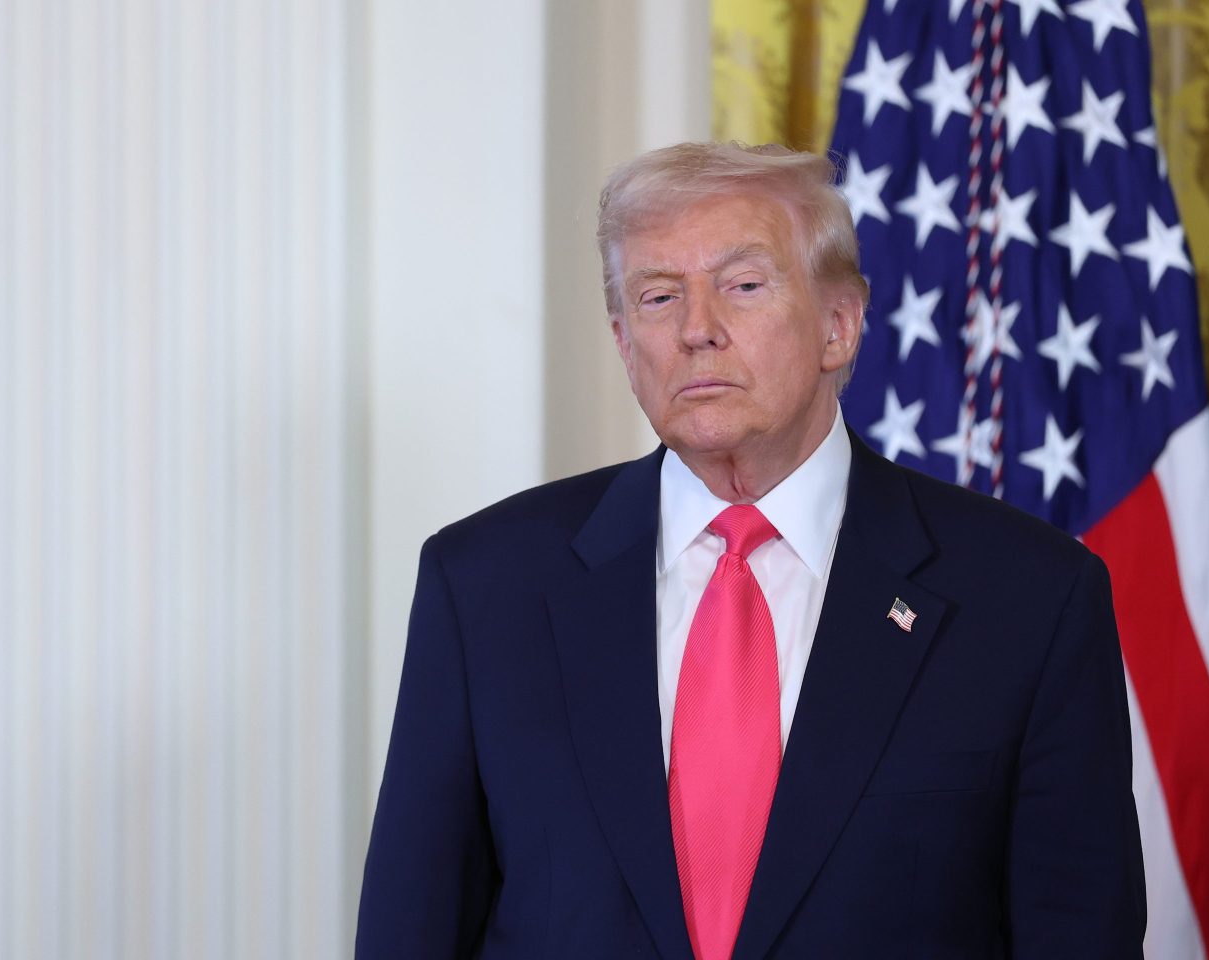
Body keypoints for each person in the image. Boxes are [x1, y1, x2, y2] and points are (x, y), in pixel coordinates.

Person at [355, 142, 1146, 959]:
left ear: (839, 326)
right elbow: (411, 928)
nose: (698, 330)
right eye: (659, 297)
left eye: (742, 286)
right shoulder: (485, 585)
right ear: (627, 346)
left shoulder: (1030, 599)